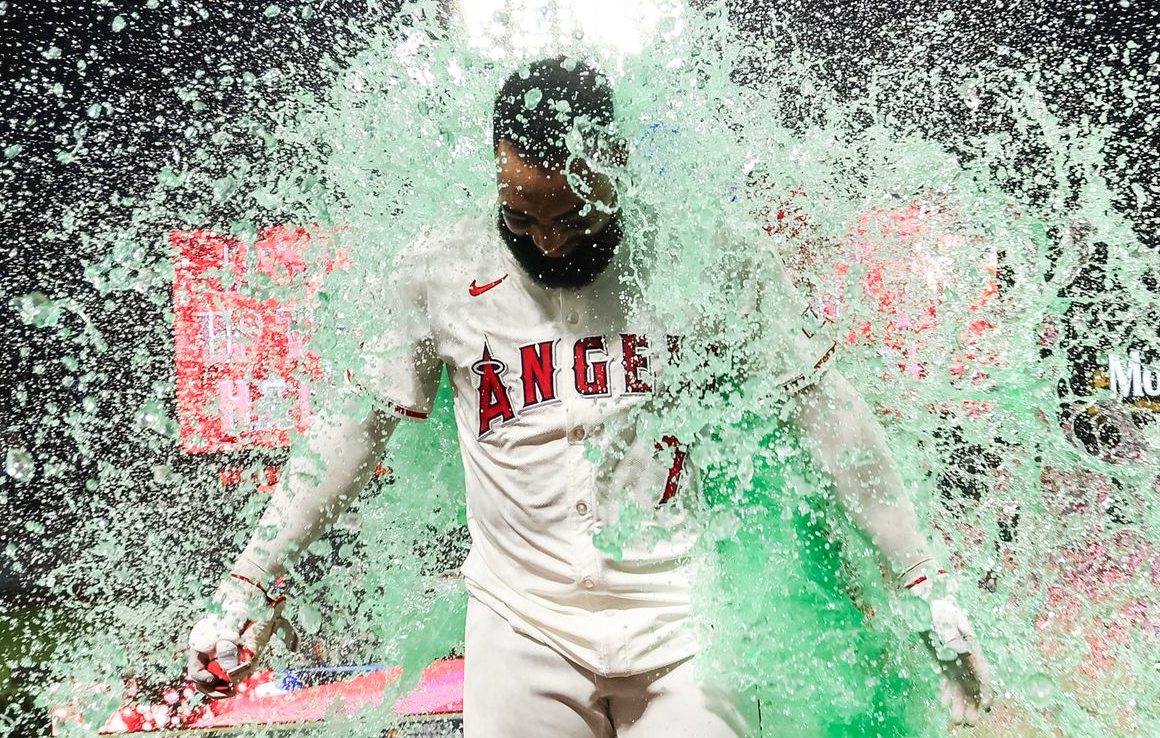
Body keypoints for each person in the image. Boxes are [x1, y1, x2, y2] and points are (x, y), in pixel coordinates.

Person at [186, 57, 993, 736]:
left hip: (683, 615)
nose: (545, 240)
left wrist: (924, 579)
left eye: (570, 214)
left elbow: (824, 412)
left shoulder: (707, 254)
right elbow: (353, 431)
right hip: (519, 619)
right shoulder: (437, 266)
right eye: (521, 214)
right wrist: (249, 582)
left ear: (619, 164)